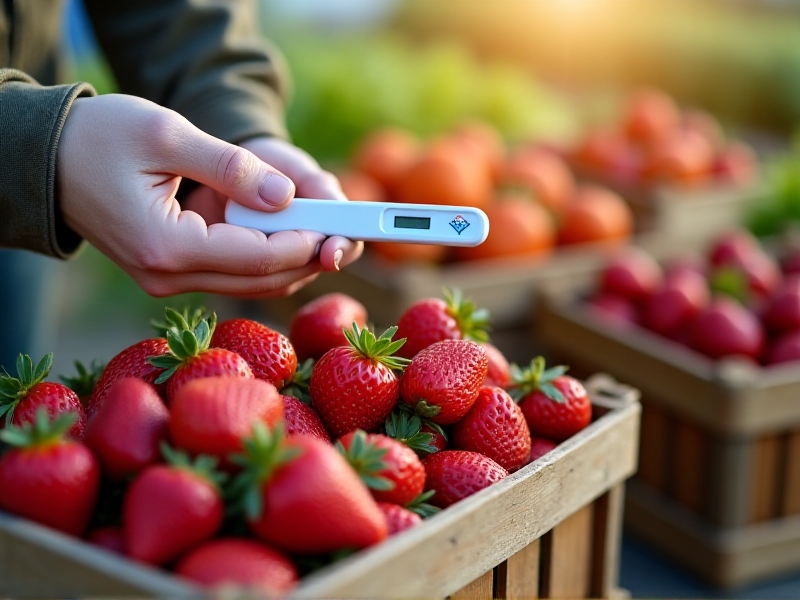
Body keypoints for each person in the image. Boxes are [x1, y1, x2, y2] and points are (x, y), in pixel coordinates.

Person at [0, 0, 363, 366]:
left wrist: (233, 120)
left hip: (33, 213)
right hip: (37, 186)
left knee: (13, 399)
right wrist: (37, 145)